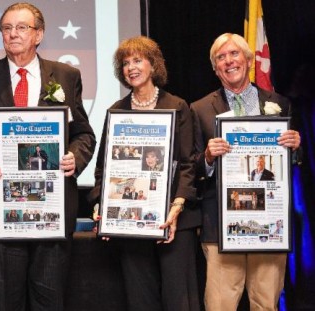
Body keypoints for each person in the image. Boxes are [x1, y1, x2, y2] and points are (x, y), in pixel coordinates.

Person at [0, 3, 96, 310]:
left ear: (39, 34)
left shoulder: (66, 76)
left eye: (21, 27)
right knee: (4, 302)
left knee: (50, 301)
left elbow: (84, 135)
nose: (13, 34)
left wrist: (73, 157)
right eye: (6, 28)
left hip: (50, 210)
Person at [190, 33, 301, 311]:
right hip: (221, 226)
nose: (229, 61)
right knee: (220, 305)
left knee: (266, 304)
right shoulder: (200, 109)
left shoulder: (279, 104)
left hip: (269, 224)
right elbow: (189, 166)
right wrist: (207, 157)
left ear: (249, 60)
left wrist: (296, 147)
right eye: (221, 58)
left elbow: (290, 164)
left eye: (234, 54)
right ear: (216, 68)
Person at [88, 36, 199, 311]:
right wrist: (101, 204)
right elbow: (105, 166)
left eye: (138, 60)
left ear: (153, 65)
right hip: (132, 224)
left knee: (178, 299)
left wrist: (177, 206)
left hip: (173, 221)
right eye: (125, 63)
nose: (131, 68)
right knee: (140, 299)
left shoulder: (177, 106)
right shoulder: (116, 111)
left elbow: (188, 163)